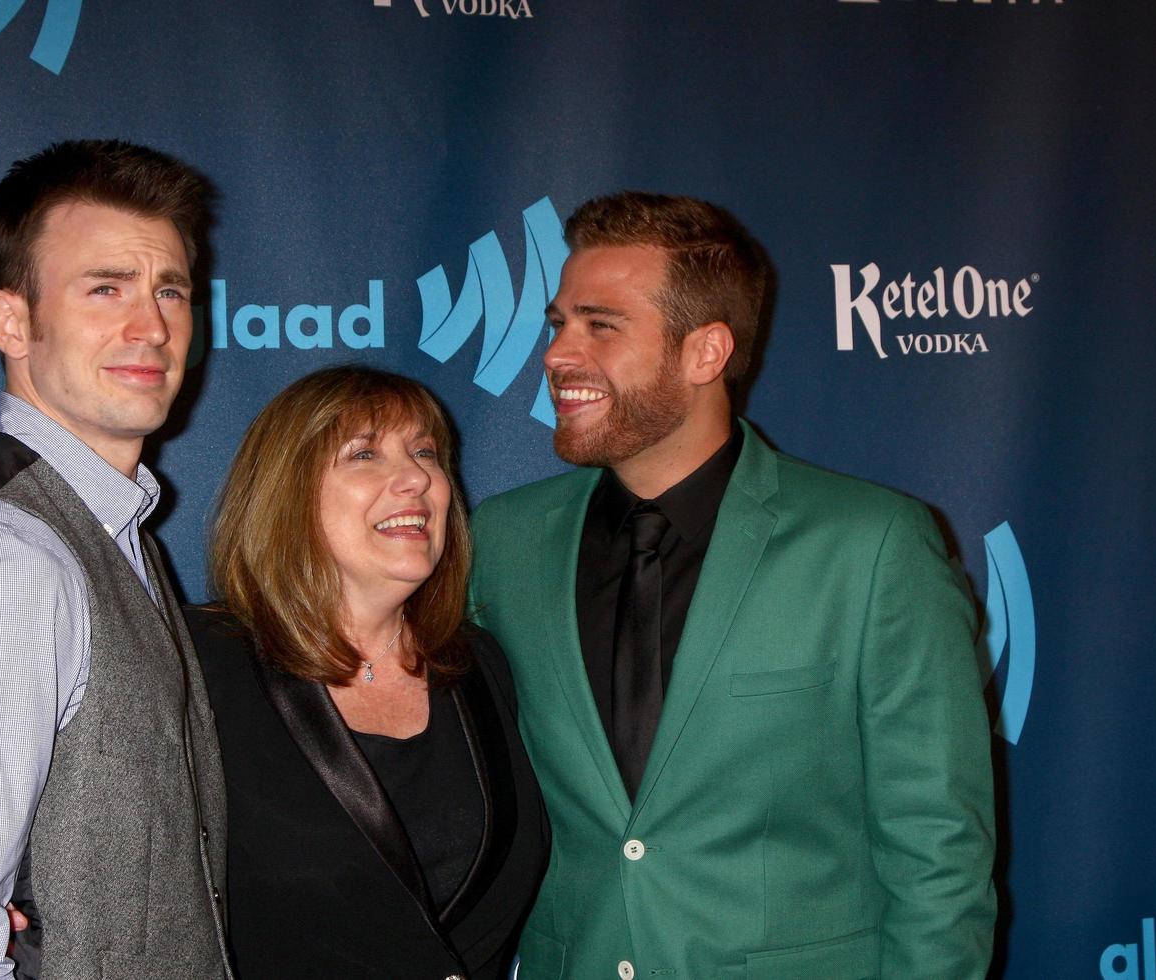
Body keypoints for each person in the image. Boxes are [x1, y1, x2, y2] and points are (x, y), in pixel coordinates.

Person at [469, 192, 997, 979]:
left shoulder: (871, 546)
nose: (556, 355)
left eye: (600, 325)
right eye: (558, 324)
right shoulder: (502, 542)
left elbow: (939, 856)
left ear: (705, 353)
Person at [0, 140, 231, 980]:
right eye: (105, 289)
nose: (152, 327)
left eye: (170, 290)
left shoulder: (112, 533)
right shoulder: (2, 563)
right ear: (11, 321)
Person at [186, 366, 548, 980]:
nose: (416, 477)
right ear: (286, 493)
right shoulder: (195, 662)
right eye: (364, 455)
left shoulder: (478, 665)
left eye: (425, 452)